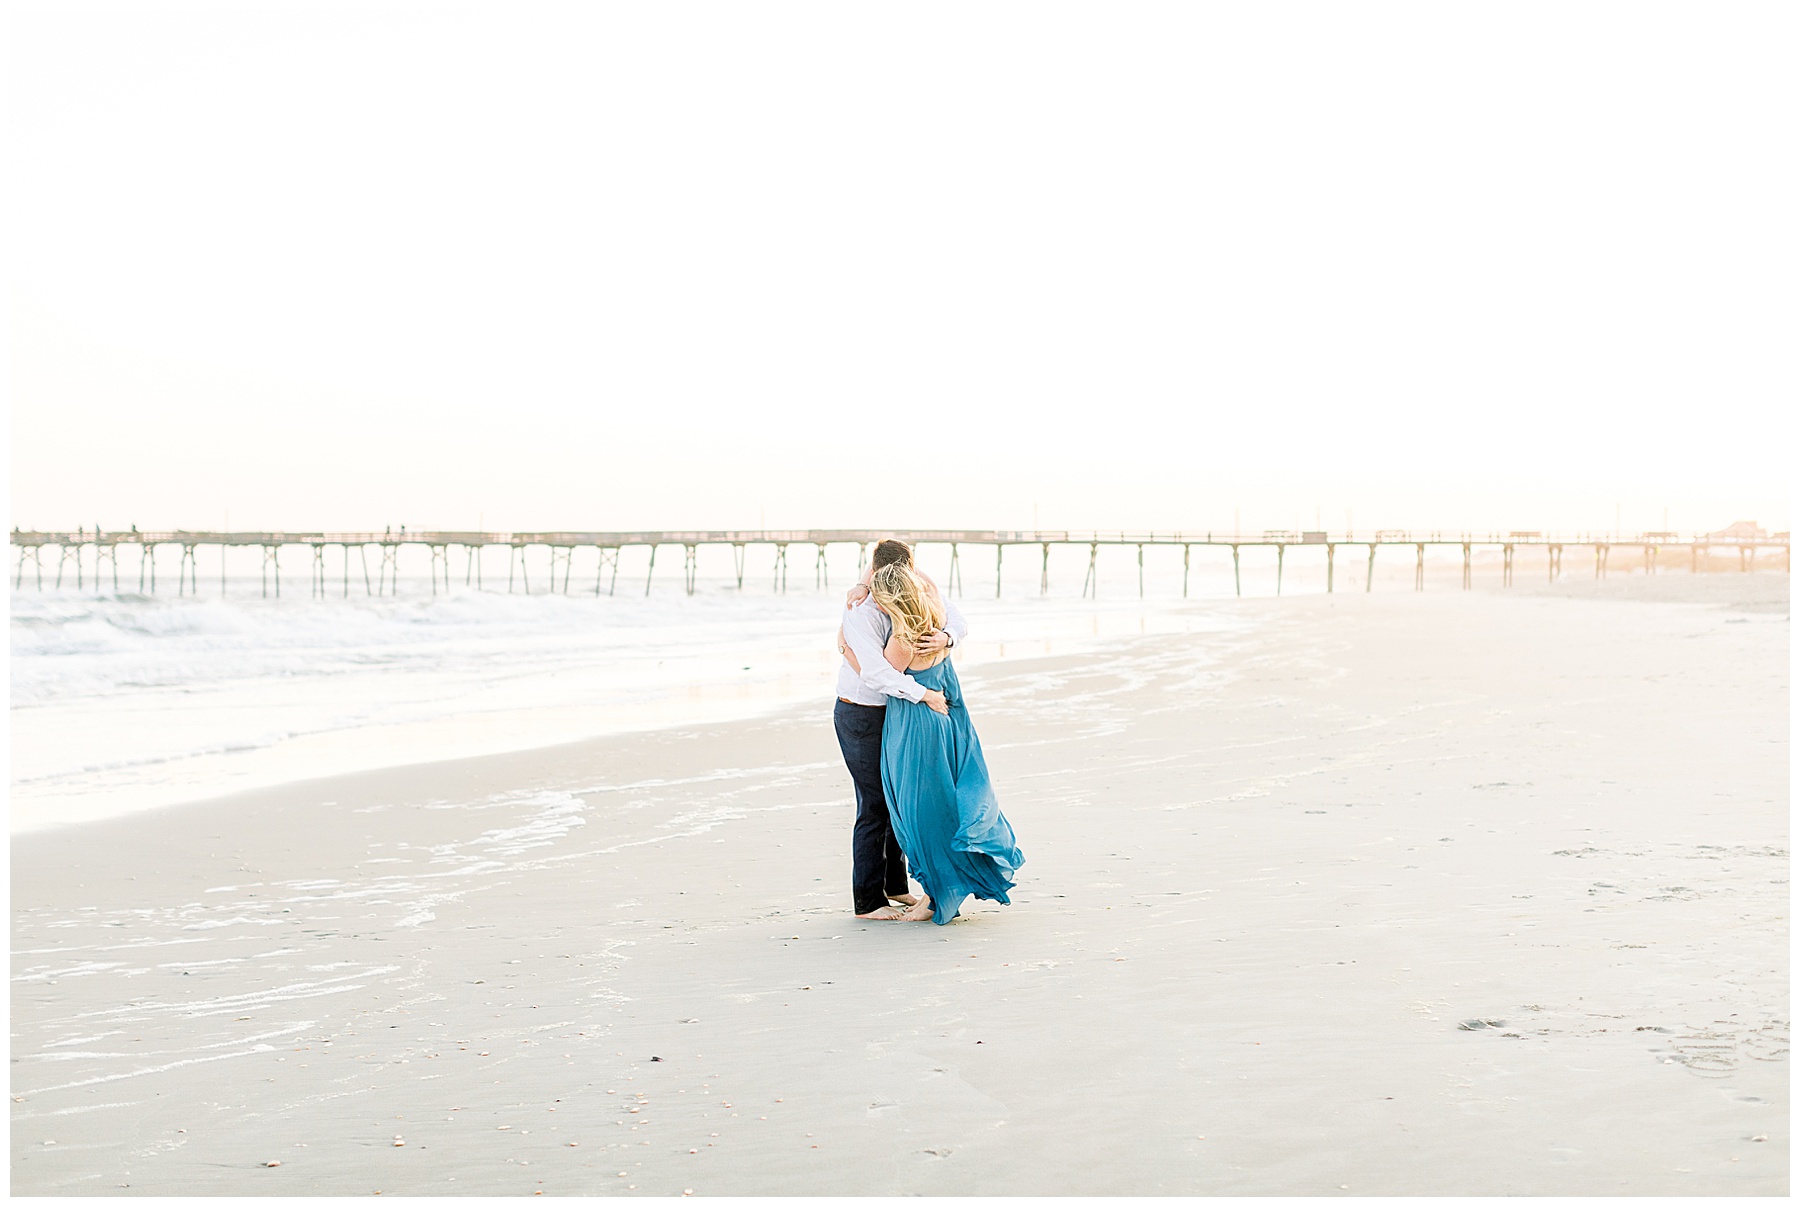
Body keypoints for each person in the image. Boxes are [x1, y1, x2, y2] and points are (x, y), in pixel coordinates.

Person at [870, 562, 1024, 925]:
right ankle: (936, 892)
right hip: (945, 721)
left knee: (920, 814)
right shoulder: (937, 621)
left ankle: (933, 897)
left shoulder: (903, 639)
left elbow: (880, 678)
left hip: (915, 727)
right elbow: (933, 589)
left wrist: (846, 648)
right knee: (938, 806)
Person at [834, 539, 966, 920]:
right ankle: (868, 901)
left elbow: (955, 616)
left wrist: (946, 636)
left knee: (897, 799)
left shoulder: (912, 592)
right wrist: (924, 693)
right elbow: (877, 675)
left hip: (894, 712)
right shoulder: (862, 609)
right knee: (875, 804)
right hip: (861, 713)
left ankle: (896, 887)